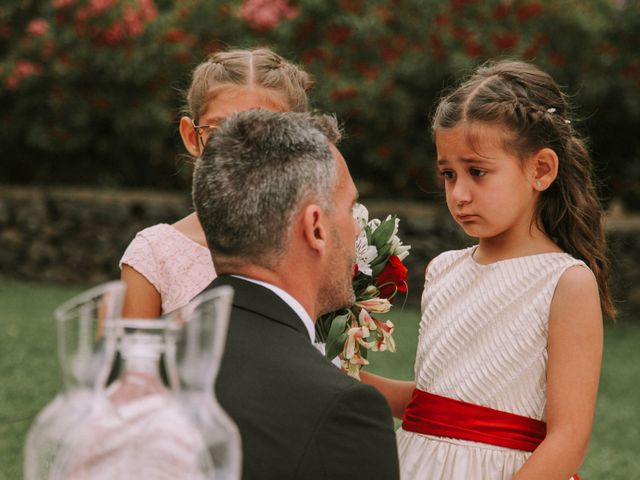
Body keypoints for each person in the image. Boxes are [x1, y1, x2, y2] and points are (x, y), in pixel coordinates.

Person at [362, 59, 614, 479]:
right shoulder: (444, 269)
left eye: (477, 172)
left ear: (541, 169)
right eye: (448, 174)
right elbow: (433, 404)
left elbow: (569, 437)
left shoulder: (565, 282)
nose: (459, 193)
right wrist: (334, 371)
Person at [192, 109, 400, 479]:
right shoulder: (340, 408)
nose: (357, 231)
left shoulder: (131, 361)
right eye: (350, 209)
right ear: (316, 227)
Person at [119, 47, 313, 318]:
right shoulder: (154, 255)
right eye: (221, 130)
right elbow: (131, 358)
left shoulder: (318, 246)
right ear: (191, 136)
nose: (244, 151)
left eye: (269, 131)